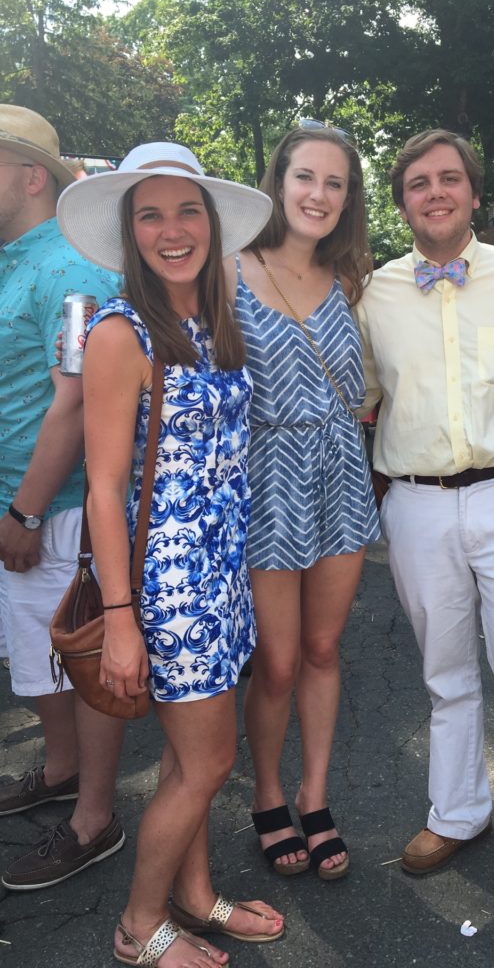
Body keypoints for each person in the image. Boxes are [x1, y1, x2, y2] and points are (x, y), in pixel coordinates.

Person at [56, 141, 284, 966]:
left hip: (218, 569)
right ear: (129, 232)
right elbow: (104, 487)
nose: (172, 229)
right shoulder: (121, 334)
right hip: (167, 582)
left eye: (187, 210)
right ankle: (138, 927)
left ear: (213, 225)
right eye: (150, 214)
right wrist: (121, 619)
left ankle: (195, 896)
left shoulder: (210, 319)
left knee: (198, 762)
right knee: (207, 760)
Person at [356, 128, 494, 927]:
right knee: (445, 673)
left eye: (449, 179)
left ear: (474, 193)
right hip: (415, 503)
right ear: (403, 201)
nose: (436, 192)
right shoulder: (375, 291)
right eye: (418, 183)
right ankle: (457, 811)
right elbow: (366, 394)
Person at [229, 123, 378, 879]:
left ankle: (315, 797)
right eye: (306, 178)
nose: (319, 195)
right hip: (267, 479)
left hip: (341, 478)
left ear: (348, 199)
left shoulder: (356, 279)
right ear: (277, 182)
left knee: (323, 649)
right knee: (278, 662)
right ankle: (267, 794)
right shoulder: (229, 272)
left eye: (335, 183)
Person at [0, 104, 125, 892]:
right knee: (35, 658)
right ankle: (58, 770)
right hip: (30, 503)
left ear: (31, 175)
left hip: (59, 508)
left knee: (77, 657)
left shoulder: (73, 266)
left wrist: (26, 511)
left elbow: (75, 402)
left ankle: (95, 818)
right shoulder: (20, 257)